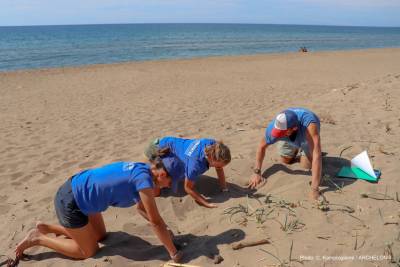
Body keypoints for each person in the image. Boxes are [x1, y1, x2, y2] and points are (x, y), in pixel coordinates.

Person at [14, 154, 184, 262]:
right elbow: (155, 222)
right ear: (161, 174)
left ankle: (47, 227)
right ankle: (38, 238)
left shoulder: (143, 169)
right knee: (88, 251)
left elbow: (141, 208)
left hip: (83, 192)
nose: (168, 187)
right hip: (71, 202)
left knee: (100, 235)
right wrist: (173, 253)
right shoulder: (144, 181)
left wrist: (166, 229)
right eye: (169, 184)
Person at [248, 107, 322, 200]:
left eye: (281, 133)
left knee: (307, 165)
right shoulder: (274, 127)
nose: (277, 134)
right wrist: (257, 172)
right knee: (285, 160)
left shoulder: (310, 126)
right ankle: (296, 150)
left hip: (306, 139)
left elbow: (316, 155)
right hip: (289, 138)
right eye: (277, 132)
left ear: (293, 128)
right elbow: (261, 147)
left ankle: (304, 150)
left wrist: (314, 189)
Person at [145, 137, 231, 208]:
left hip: (168, 142)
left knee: (178, 172)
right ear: (211, 159)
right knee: (155, 188)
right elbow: (188, 188)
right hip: (156, 149)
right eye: (219, 165)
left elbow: (219, 168)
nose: (220, 167)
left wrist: (224, 188)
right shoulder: (194, 166)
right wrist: (205, 202)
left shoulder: (213, 145)